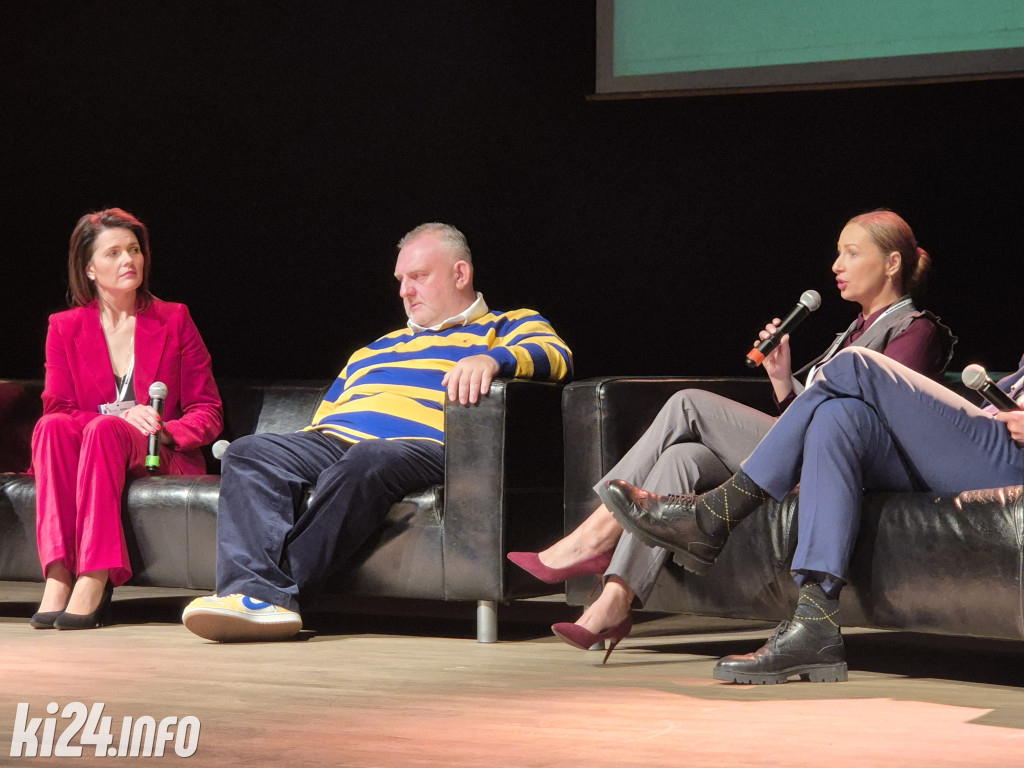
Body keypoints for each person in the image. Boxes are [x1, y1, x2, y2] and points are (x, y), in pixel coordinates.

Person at [507, 210, 955, 659]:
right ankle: (613, 601)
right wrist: (783, 379)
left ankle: (593, 536)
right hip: (799, 455)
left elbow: (870, 423)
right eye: (838, 253)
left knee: (689, 403)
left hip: (842, 469)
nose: (836, 265)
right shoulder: (850, 334)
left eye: (852, 253)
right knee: (680, 459)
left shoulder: (916, 331)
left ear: (892, 263)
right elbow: (806, 414)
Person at [182, 222, 573, 642]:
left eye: (419, 277)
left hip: (422, 445)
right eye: (401, 280)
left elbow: (556, 356)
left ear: (460, 274)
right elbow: (326, 414)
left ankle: (264, 596)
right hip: (334, 440)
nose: (405, 291)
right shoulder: (374, 348)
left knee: (370, 457)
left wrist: (494, 360)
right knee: (248, 451)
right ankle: (253, 596)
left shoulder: (507, 325)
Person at [607, 346, 1024, 682]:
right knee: (837, 417)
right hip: (990, 435)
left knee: (854, 363)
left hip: (1009, 461)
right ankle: (816, 623)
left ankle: (718, 513)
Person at [31, 208, 223, 630]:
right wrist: (113, 413)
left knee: (104, 430)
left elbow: (207, 410)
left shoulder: (174, 319)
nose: (128, 260)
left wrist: (164, 430)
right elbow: (58, 407)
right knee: (51, 426)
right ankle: (59, 571)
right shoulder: (64, 327)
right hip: (94, 447)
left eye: (133, 250)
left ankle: (95, 575)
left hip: (157, 452)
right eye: (114, 252)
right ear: (90, 268)